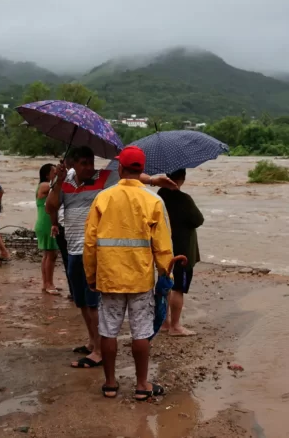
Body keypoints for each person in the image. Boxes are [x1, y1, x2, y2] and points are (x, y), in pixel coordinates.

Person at [45, 146, 177, 369]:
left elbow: (131, 176)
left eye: (90, 162)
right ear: (72, 164)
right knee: (82, 302)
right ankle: (92, 341)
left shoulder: (104, 180)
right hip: (74, 248)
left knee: (95, 304)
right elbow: (51, 207)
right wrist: (57, 181)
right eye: (83, 163)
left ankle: (99, 351)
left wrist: (154, 180)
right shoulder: (64, 182)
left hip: (95, 251)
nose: (89, 167)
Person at [84, 146, 185, 399]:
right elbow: (163, 245)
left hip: (109, 277)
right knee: (141, 332)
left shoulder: (103, 198)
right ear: (143, 170)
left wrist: (91, 275)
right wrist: (166, 275)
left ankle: (109, 384)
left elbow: (89, 242)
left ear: (120, 168)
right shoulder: (154, 200)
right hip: (140, 279)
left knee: (108, 330)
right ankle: (142, 386)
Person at [158, 169, 204, 337]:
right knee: (178, 288)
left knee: (166, 285)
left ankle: (164, 322)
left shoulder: (159, 195)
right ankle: (175, 326)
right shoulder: (184, 199)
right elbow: (198, 220)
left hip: (163, 248)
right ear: (182, 178)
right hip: (183, 251)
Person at [53, 153, 76, 299]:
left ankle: (74, 292)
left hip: (65, 224)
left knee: (69, 260)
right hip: (63, 223)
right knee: (70, 260)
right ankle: (75, 292)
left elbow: (53, 203)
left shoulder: (70, 175)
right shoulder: (63, 177)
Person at [36, 163, 59, 295]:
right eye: (54, 172)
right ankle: (49, 284)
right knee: (52, 255)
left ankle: (46, 283)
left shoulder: (46, 185)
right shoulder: (45, 185)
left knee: (47, 255)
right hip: (46, 223)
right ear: (47, 174)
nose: (55, 174)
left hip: (44, 222)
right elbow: (58, 188)